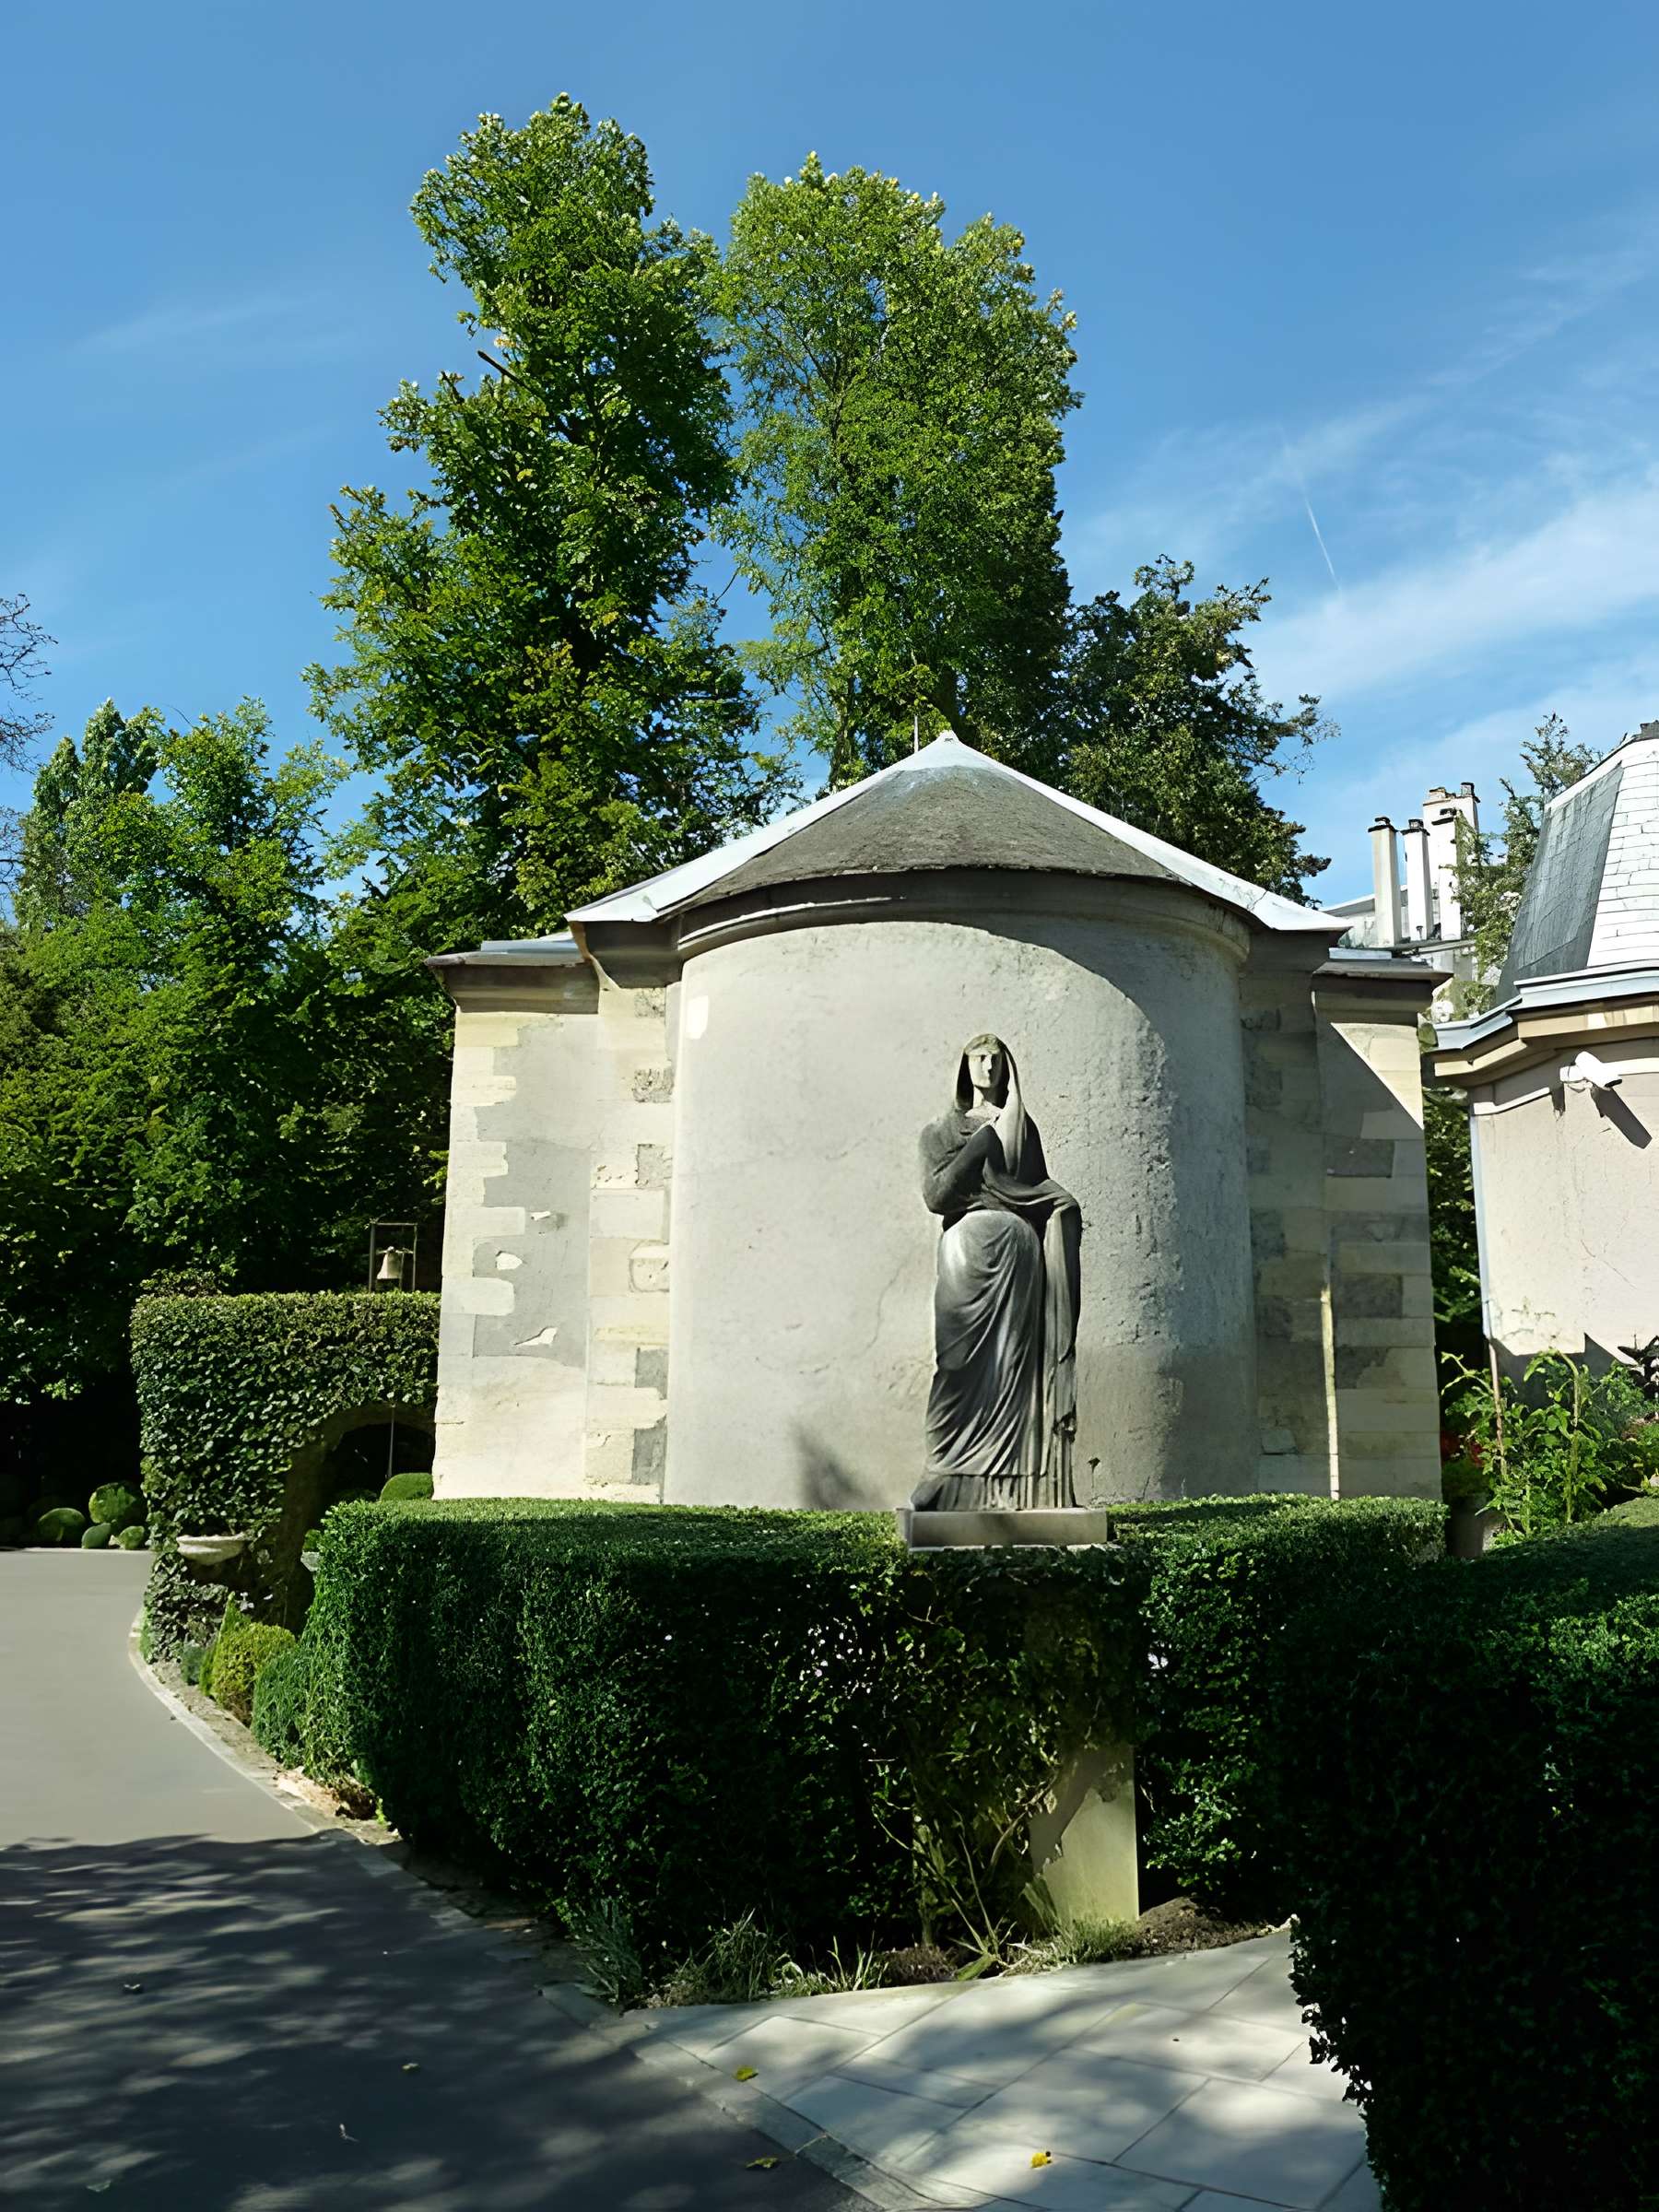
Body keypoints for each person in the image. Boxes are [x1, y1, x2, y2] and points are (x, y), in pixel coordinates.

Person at [912, 1035, 1081, 1510]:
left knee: (1015, 1367)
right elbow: (936, 1197)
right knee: (957, 1362)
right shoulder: (942, 1131)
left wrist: (1062, 1206)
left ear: (1008, 1069)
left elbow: (1038, 1190)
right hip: (967, 1250)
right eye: (978, 1058)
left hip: (1018, 1255)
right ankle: (946, 1470)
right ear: (964, 1068)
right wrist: (978, 1147)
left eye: (996, 1059)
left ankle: (1019, 1485)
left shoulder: (1021, 1128)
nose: (988, 1066)